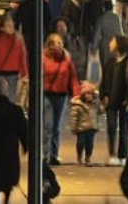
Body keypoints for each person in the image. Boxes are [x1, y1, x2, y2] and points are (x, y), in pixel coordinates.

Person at [0, 78, 27, 204]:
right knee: (8, 180)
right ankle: (6, 200)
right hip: (9, 149)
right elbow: (23, 130)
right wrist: (25, 145)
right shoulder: (15, 110)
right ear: (7, 91)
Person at [43, 32, 81, 165]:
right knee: (47, 125)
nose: (59, 45)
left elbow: (73, 78)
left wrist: (76, 94)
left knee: (56, 127)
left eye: (60, 42)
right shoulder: (43, 58)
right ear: (49, 45)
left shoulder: (66, 59)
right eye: (56, 43)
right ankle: (45, 154)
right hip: (46, 95)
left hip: (61, 96)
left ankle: (54, 154)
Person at [102, 33, 128, 166]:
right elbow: (104, 81)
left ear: (118, 45)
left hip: (125, 102)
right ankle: (112, 154)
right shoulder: (110, 62)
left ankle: (122, 155)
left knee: (124, 128)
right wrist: (104, 95)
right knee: (111, 128)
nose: (109, 43)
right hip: (111, 101)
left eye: (112, 41)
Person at [0, 12, 28, 103]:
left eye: (12, 26)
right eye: (8, 26)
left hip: (12, 74)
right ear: (2, 28)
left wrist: (24, 73)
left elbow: (22, 56)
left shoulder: (18, 39)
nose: (11, 28)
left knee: (11, 99)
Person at [70, 80, 104, 165]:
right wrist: (74, 127)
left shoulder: (94, 105)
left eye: (91, 94)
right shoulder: (77, 105)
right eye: (87, 94)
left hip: (91, 129)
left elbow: (100, 112)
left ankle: (88, 158)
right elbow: (74, 117)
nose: (89, 96)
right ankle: (79, 156)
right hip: (81, 129)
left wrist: (102, 104)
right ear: (83, 95)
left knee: (90, 145)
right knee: (80, 144)